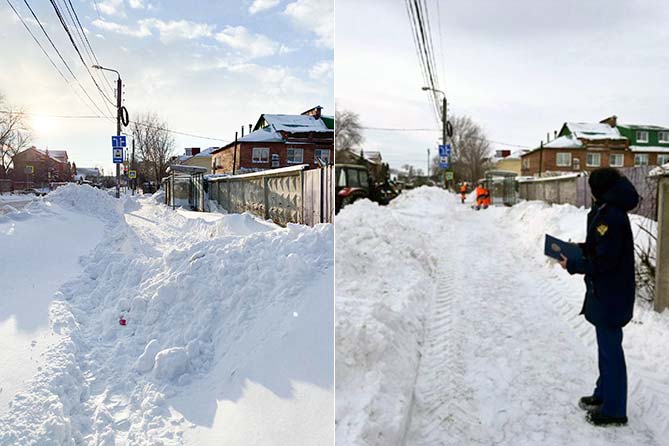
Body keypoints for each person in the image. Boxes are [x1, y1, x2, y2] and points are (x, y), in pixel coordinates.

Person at [558, 167, 639, 427]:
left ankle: (615, 410)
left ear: (599, 189)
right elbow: (596, 247)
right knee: (606, 349)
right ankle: (603, 394)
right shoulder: (604, 210)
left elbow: (605, 260)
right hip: (604, 292)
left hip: (611, 295)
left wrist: (574, 264)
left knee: (611, 351)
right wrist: (576, 250)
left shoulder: (611, 216)